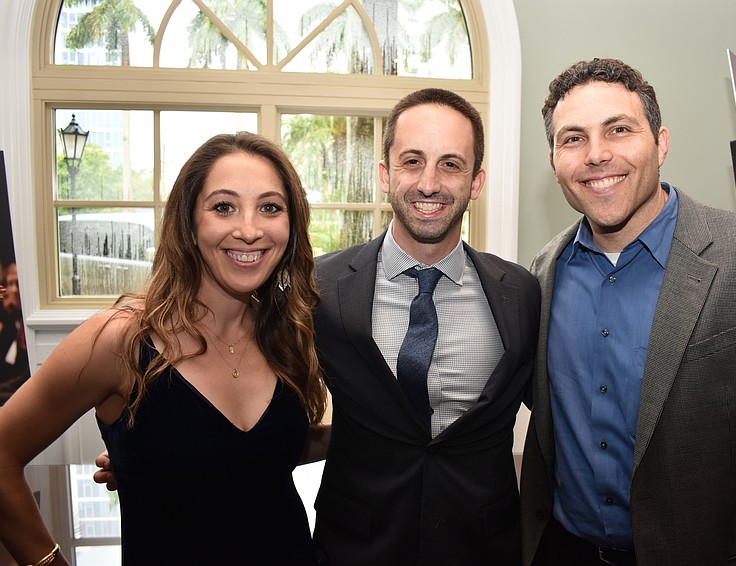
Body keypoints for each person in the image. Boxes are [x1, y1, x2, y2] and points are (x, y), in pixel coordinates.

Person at [519, 57, 736, 566]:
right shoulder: (543, 273)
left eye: (619, 130)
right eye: (573, 138)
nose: (597, 155)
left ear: (661, 142)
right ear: (554, 160)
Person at [0, 132, 328, 565]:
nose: (249, 230)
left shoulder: (287, 334)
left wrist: (154, 459)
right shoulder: (120, 340)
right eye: (223, 206)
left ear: (290, 225)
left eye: (270, 207)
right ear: (189, 224)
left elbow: (272, 448)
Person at [310, 88, 540, 565]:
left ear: (476, 182)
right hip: (356, 545)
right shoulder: (321, 286)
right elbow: (251, 379)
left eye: (451, 165)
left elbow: (562, 414)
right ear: (384, 174)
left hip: (483, 546)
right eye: (412, 161)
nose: (429, 183)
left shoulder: (521, 292)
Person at [0, 262, 30, 405]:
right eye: (9, 284)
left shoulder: (28, 331)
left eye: (18, 283)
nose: (13, 290)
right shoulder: (12, 327)